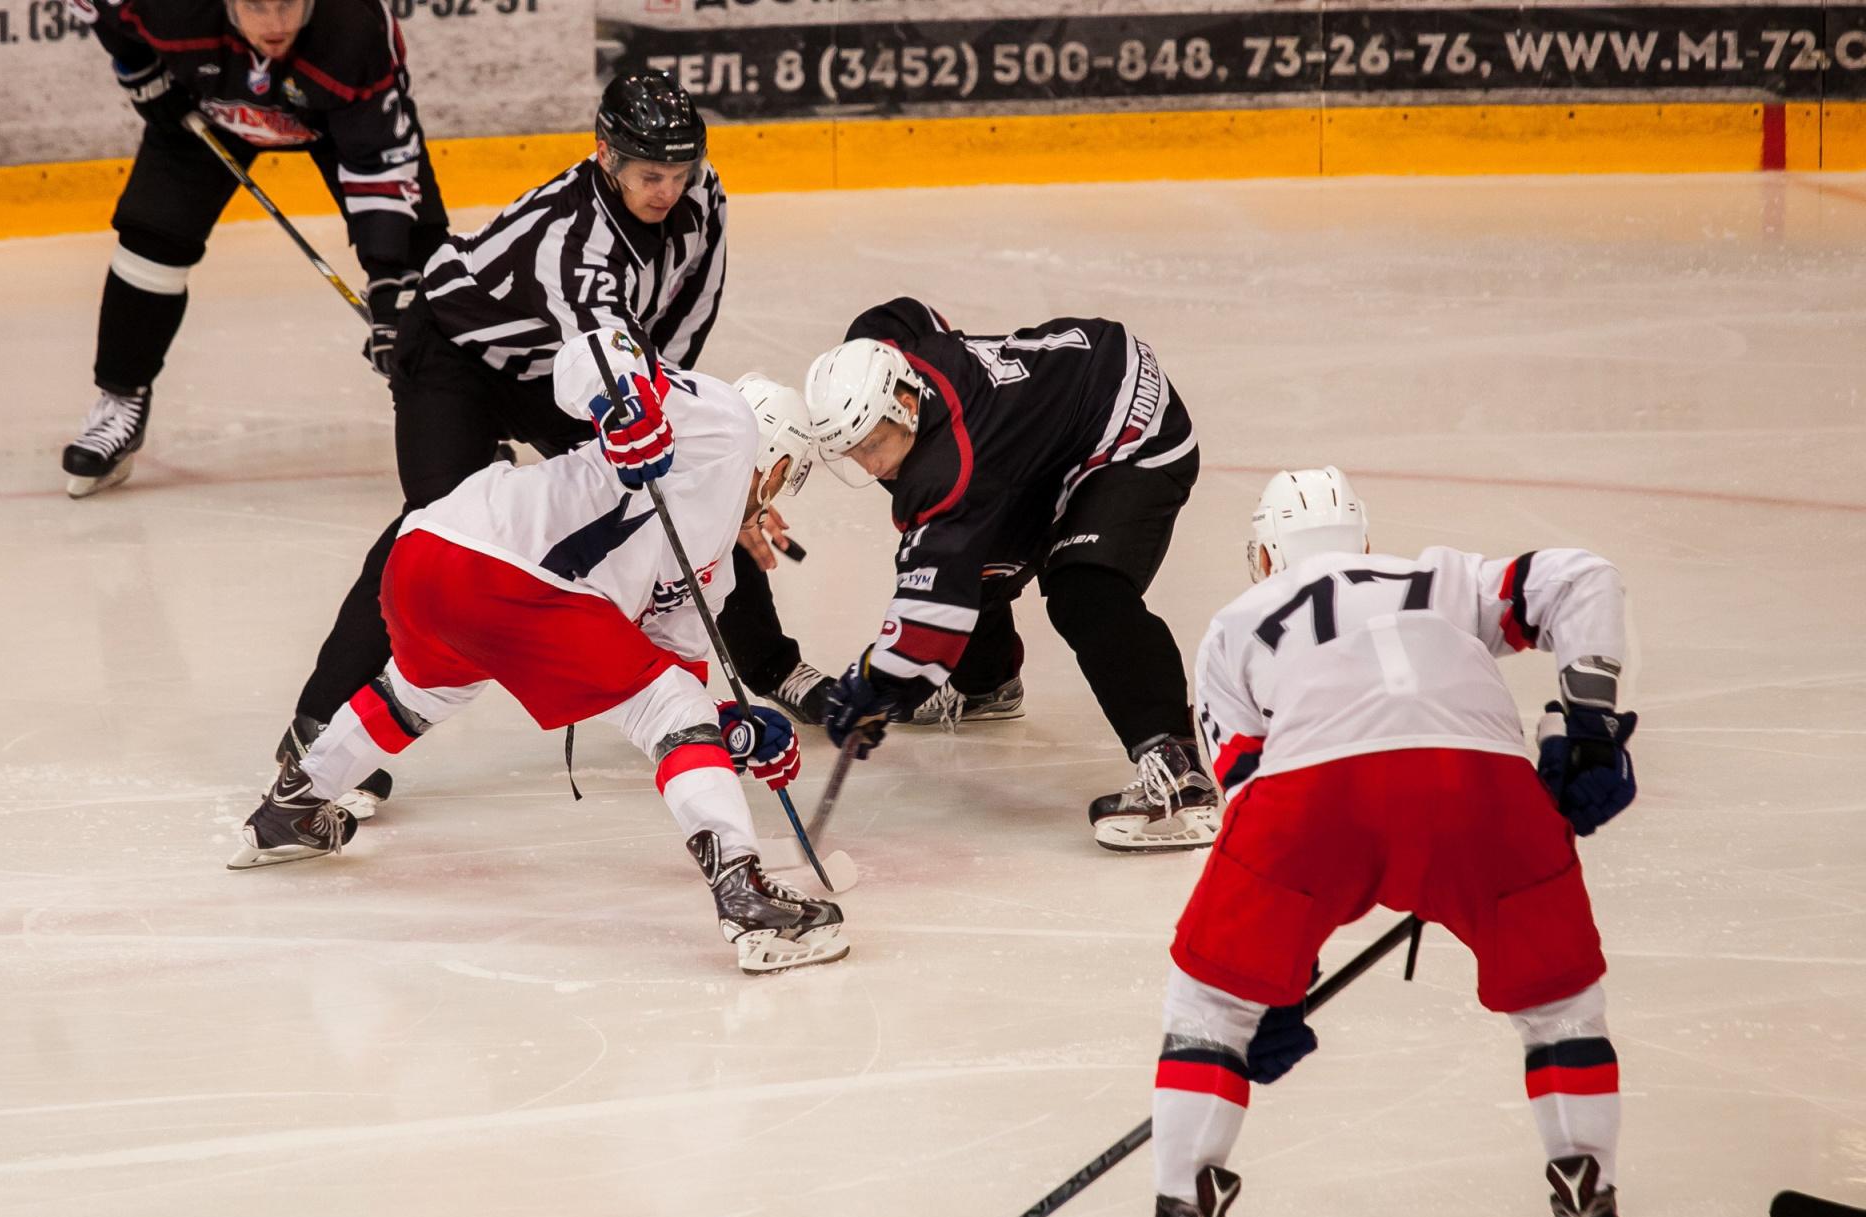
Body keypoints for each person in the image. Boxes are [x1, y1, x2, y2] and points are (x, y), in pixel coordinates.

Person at [1097, 468, 1646, 1217]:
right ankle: (1591, 1216)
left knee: (1210, 1007)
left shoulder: (1237, 623)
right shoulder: (1440, 579)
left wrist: (1273, 976)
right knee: (1562, 1007)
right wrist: (1590, 725)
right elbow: (1580, 576)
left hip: (1318, 794)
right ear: (1358, 541)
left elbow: (1250, 795)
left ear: (1267, 553)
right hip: (1484, 786)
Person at [225, 328, 848, 976]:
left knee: (421, 691)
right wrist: (617, 403)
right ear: (778, 469)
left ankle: (291, 808)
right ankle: (745, 900)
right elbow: (596, 351)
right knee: (668, 707)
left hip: (424, 551)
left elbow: (665, 670)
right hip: (503, 571)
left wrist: (729, 729)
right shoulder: (723, 422)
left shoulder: (711, 565)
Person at [271, 70, 783, 815]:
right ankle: (317, 722)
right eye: (648, 174)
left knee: (689, 472)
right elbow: (602, 348)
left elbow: (682, 332)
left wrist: (706, 456)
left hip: (566, 366)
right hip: (459, 357)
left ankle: (775, 664)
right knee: (436, 523)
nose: (666, 190)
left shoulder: (703, 198)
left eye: (679, 172)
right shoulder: (576, 241)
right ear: (605, 155)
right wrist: (644, 416)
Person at [804, 297, 1218, 851]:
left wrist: (879, 686)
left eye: (874, 445)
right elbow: (905, 314)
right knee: (978, 558)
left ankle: (1178, 768)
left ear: (905, 404)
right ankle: (987, 686)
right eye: (853, 453)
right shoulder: (890, 354)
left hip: (1127, 423)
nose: (871, 466)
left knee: (1083, 588)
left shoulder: (946, 469)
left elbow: (929, 618)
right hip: (1052, 427)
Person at [62, 0, 448, 497]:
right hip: (204, 101)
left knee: (422, 266)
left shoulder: (352, 29)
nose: (275, 25)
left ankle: (454, 424)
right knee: (151, 242)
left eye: (288, 5)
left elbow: (378, 160)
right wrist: (138, 67)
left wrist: (388, 274)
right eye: (259, 6)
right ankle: (120, 400)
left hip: (336, 121)